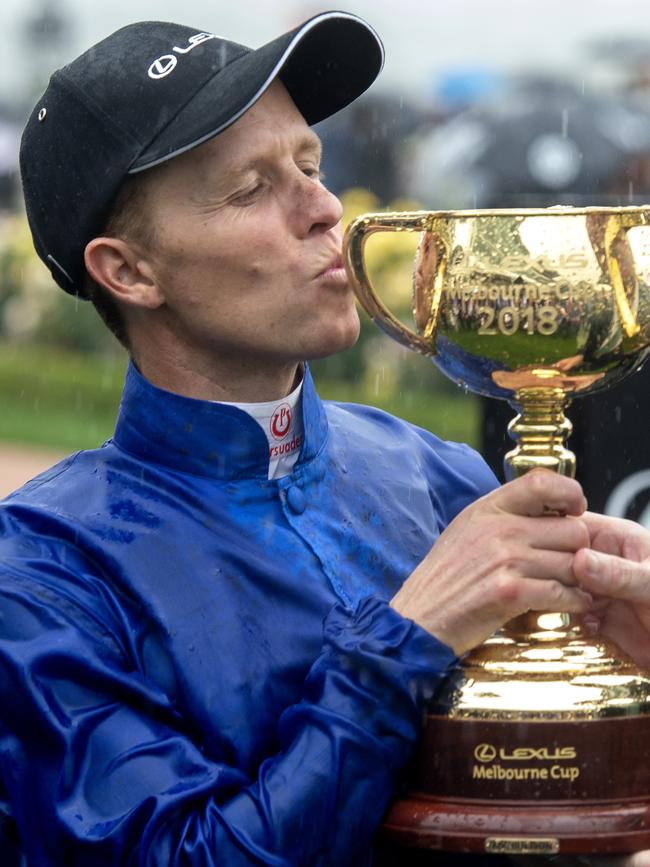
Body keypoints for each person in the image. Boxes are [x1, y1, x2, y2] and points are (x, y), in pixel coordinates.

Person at [2, 10, 650, 866]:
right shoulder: (42, 575)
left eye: (309, 163)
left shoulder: (439, 475)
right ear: (129, 270)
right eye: (251, 188)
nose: (323, 208)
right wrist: (404, 641)